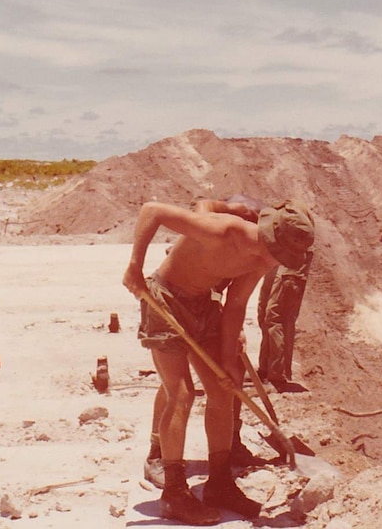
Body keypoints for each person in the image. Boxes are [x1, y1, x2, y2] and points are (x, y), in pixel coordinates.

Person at [123, 199, 314, 525]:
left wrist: (227, 361)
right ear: (268, 238)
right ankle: (174, 493)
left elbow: (236, 304)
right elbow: (151, 211)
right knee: (180, 394)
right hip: (165, 297)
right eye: (278, 254)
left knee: (225, 389)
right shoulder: (223, 230)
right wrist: (135, 268)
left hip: (205, 306)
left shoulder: (263, 260)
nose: (278, 262)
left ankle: (220, 483)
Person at [257, 249, 313, 392]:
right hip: (276, 256)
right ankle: (264, 370)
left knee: (275, 316)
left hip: (292, 258)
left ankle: (277, 376)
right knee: (264, 312)